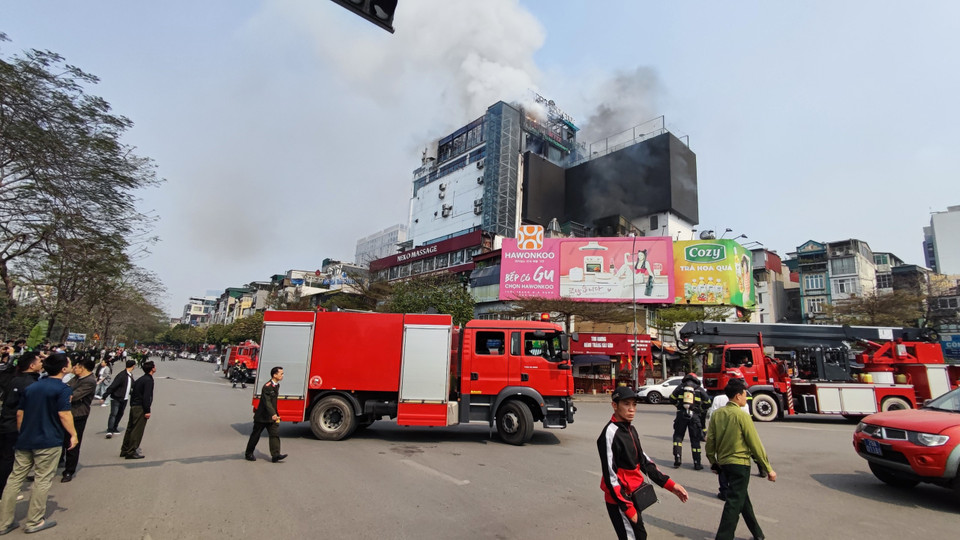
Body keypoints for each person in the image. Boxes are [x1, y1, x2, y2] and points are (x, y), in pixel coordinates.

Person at [0, 352, 77, 535]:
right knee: (42, 480)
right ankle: (34, 521)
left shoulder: (33, 387)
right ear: (64, 369)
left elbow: (20, 414)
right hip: (48, 440)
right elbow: (64, 414)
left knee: (14, 479)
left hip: (26, 439)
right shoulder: (63, 389)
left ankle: (4, 522)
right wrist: (73, 434)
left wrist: (23, 432)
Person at [598, 386, 689, 540]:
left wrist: (671, 485)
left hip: (634, 496)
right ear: (615, 405)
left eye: (634, 404)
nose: (632, 409)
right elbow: (610, 476)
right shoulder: (609, 434)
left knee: (639, 536)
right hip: (620, 499)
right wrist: (627, 508)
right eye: (626, 404)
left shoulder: (631, 430)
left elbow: (645, 462)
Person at [705, 378, 776, 540]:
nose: (746, 398)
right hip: (740, 464)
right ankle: (723, 537)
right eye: (745, 395)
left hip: (724, 464)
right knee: (734, 502)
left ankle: (758, 534)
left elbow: (710, 441)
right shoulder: (742, 415)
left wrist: (713, 461)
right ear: (737, 396)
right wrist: (768, 468)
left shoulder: (717, 414)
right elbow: (755, 443)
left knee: (742, 499)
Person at [0, 352, 42, 495]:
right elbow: (23, 410)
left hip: (6, 422)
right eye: (39, 361)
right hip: (16, 426)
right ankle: (5, 491)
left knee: (6, 457)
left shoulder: (15, 379)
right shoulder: (30, 384)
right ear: (32, 365)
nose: (41, 363)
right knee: (10, 459)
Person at [61, 358, 96, 483]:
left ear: (83, 368)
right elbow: (64, 387)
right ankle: (59, 461)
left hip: (78, 414)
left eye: (76, 366)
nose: (74, 368)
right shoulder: (76, 378)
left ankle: (69, 470)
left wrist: (64, 393)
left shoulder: (89, 381)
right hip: (65, 412)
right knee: (60, 440)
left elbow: (73, 396)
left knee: (73, 442)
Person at [669, 373, 712, 469]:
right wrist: (699, 409)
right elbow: (708, 402)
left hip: (681, 415)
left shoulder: (680, 387)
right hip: (695, 417)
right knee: (695, 440)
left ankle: (677, 459)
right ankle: (697, 463)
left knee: (678, 437)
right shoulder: (699, 388)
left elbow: (671, 398)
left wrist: (679, 406)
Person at [245, 367, 287, 463]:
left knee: (274, 434)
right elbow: (267, 402)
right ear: (274, 375)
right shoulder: (267, 387)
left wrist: (275, 414)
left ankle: (275, 455)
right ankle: (248, 453)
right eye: (281, 373)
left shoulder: (276, 385)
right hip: (262, 417)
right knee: (255, 435)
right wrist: (273, 413)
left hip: (272, 416)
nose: (282, 375)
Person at [120, 361, 155, 459]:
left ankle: (125, 449)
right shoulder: (148, 380)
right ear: (152, 369)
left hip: (134, 406)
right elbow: (146, 396)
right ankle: (131, 451)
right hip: (140, 407)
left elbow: (133, 392)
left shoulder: (141, 379)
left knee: (130, 428)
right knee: (137, 430)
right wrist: (147, 410)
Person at [102, 360, 136, 438]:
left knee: (120, 413)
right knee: (114, 414)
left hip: (125, 398)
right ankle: (110, 430)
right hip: (116, 398)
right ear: (133, 366)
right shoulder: (122, 375)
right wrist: (105, 395)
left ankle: (115, 427)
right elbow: (113, 385)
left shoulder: (130, 375)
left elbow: (133, 385)